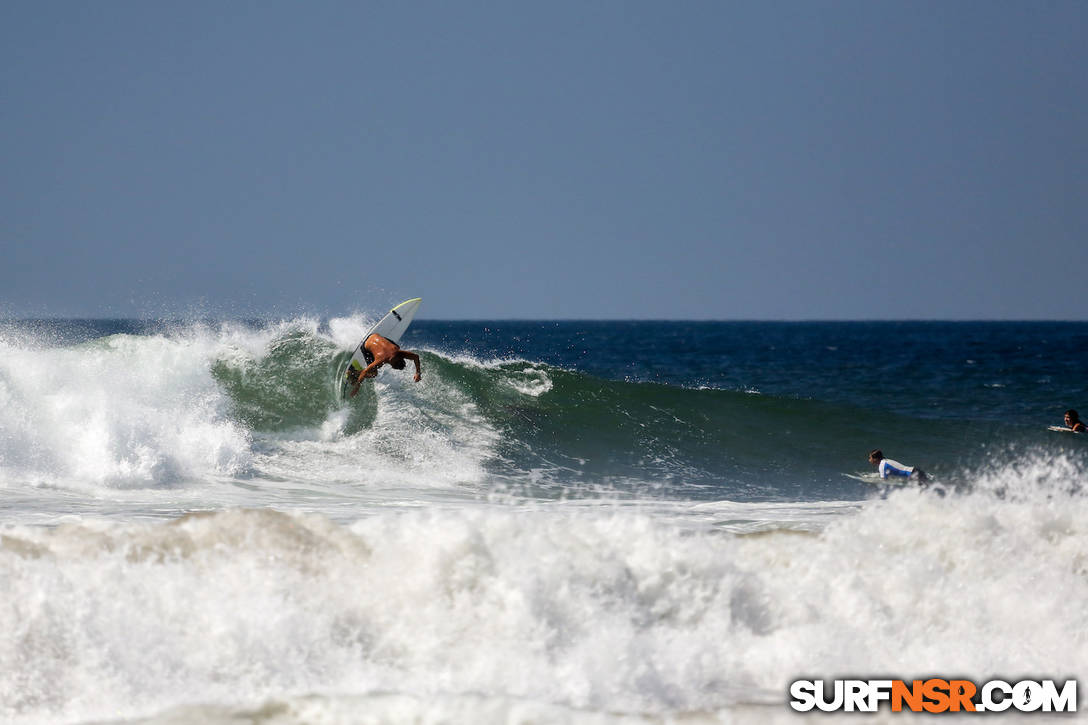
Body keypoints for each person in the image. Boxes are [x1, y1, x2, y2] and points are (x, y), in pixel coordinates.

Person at [347, 333, 421, 397]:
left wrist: (418, 373)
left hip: (374, 335)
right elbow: (365, 372)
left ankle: (379, 344)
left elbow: (416, 357)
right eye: (392, 365)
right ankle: (353, 372)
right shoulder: (381, 360)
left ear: (401, 358)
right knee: (374, 374)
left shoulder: (398, 352)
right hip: (365, 346)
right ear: (392, 364)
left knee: (397, 346)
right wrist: (356, 388)